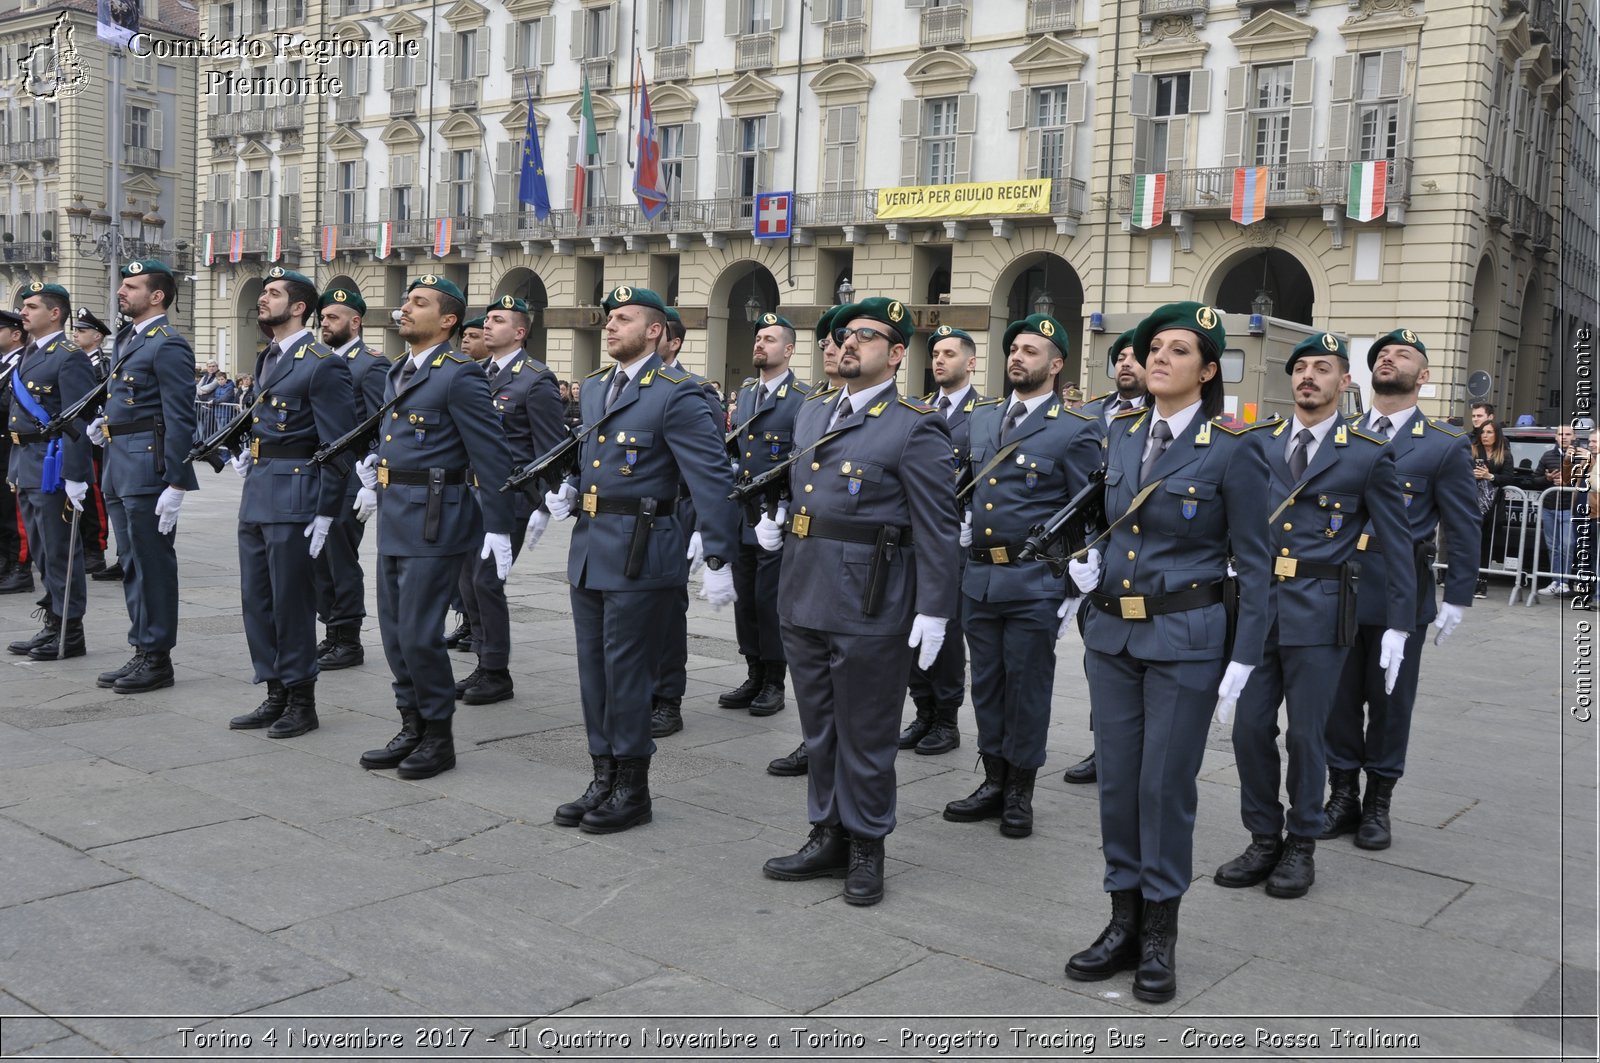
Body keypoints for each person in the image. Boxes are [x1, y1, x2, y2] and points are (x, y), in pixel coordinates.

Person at [1064, 301, 1270, 1003]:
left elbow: (1257, 562)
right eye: (1156, 346)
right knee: (1118, 785)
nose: (1158, 356)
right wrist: (1082, 564)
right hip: (1114, 636)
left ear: (1207, 370)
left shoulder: (1234, 448)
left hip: (1185, 640)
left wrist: (1244, 657)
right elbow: (1106, 521)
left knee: (1164, 788)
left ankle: (1160, 931)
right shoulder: (1120, 433)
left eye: (1179, 349)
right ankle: (1121, 918)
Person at [757, 296, 960, 907]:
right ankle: (827, 834)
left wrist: (934, 608)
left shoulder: (915, 424)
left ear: (897, 354)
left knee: (866, 733)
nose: (849, 343)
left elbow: (938, 525)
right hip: (804, 590)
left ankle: (867, 844)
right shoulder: (813, 413)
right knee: (819, 729)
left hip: (871, 599)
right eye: (845, 334)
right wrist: (781, 518)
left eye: (867, 337)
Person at [1213, 333, 1415, 901]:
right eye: (1300, 367)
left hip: (1322, 614)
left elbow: (1397, 546)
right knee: (1251, 727)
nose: (1308, 377)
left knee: (1306, 736)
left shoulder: (1367, 454)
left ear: (1343, 382)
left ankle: (1300, 842)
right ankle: (1262, 835)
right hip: (1256, 610)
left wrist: (1399, 623)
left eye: (1321, 368)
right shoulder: (1256, 443)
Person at [543, 285, 740, 833]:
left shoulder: (679, 393)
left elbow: (711, 479)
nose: (610, 326)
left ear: (654, 331)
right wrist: (569, 489)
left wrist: (719, 555)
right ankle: (602, 776)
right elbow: (596, 459)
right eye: (609, 318)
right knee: (594, 675)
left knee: (627, 675)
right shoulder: (600, 386)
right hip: (590, 548)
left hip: (641, 551)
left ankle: (633, 788)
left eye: (624, 319)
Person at [945, 313, 1101, 838]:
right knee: (986, 685)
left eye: (1031, 351)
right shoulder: (985, 418)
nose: (1017, 356)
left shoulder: (1075, 430)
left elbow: (1086, 509)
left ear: (1056, 365)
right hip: (980, 577)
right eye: (1014, 348)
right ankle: (992, 779)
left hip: (1034, 580)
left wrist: (1076, 581)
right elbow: (969, 482)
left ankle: (1020, 791)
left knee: (1027, 688)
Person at [355, 275, 513, 780]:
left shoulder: (459, 375)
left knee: (422, 635)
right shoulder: (399, 369)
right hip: (395, 514)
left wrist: (498, 526)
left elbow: (491, 455)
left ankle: (438, 735)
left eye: (418, 303)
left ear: (448, 320)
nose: (404, 308)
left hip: (436, 521)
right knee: (396, 634)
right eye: (405, 301)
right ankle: (411, 723)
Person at [1323, 328, 1476, 851]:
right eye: (1381, 355)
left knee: (1390, 704)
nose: (1389, 359)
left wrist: (1458, 594)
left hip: (1397, 592)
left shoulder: (1443, 444)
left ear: (1424, 375)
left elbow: (1463, 522)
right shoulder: (1339, 433)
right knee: (1337, 701)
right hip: (1336, 589)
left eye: (1402, 354)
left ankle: (1377, 804)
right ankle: (1341, 795)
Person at [223, 267, 356, 739]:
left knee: (291, 601)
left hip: (297, 493)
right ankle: (274, 689)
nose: (263, 299)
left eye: (274, 293)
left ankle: (302, 699)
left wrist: (325, 511)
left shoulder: (322, 362)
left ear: (299, 307)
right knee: (256, 600)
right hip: (260, 488)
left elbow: (340, 445)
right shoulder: (269, 358)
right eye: (263, 292)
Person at [88, 260, 201, 691]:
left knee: (152, 563)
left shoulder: (167, 344)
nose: (122, 291)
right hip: (120, 464)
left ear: (157, 296)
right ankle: (141, 648)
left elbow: (179, 416)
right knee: (133, 562)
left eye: (131, 286)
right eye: (122, 284)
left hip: (147, 468)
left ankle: (157, 657)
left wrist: (176, 482)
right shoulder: (129, 339)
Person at [453, 296, 564, 705]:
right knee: (467, 582)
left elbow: (549, 450)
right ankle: (483, 662)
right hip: (470, 494)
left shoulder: (536, 380)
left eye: (498, 321)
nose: (487, 326)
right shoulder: (476, 372)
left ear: (519, 332)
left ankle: (497, 671)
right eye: (487, 320)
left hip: (508, 499)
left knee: (486, 580)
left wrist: (539, 505)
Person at [1060, 328, 1147, 785]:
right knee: (1100, 658)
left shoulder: (1159, 415)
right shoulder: (1090, 414)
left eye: (1136, 356)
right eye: (1121, 357)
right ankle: (1104, 747)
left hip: (1142, 554)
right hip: (1094, 554)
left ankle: (1141, 750)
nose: (1127, 364)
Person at [899, 324, 989, 756]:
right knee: (912, 624)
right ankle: (922, 710)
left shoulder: (985, 413)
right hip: (913, 534)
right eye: (936, 353)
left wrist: (971, 516)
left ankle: (947, 719)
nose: (939, 360)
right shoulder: (916, 409)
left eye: (949, 354)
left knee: (947, 629)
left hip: (955, 538)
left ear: (971, 362)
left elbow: (988, 476)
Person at [719, 312, 810, 724]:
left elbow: (802, 461)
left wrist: (787, 509)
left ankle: (774, 679)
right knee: (745, 598)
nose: (760, 344)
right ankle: (753, 672)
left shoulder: (803, 399)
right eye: (758, 338)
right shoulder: (747, 393)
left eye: (770, 340)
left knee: (769, 599)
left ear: (788, 350)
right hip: (743, 513)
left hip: (774, 517)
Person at [766, 304, 844, 779]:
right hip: (803, 555)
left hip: (852, 561)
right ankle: (813, 738)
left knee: (844, 668)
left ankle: (833, 744)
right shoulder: (812, 407)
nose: (833, 349)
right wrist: (778, 512)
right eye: (828, 344)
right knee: (810, 664)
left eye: (840, 342)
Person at [651, 305, 729, 738]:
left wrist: (702, 526)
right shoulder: (619, 387)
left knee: (666, 609)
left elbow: (709, 467)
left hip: (676, 511)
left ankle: (667, 698)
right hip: (630, 517)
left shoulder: (696, 390)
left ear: (673, 342)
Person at [5, 281, 94, 661]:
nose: (23, 312)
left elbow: (78, 420)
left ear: (55, 313)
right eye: (24, 306)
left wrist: (76, 476)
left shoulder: (68, 355)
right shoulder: (29, 352)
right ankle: (53, 621)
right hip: (25, 462)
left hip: (52, 465)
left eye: (32, 306)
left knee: (59, 551)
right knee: (41, 551)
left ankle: (69, 630)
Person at [311, 284, 389, 670]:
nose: (325, 323)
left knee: (340, 555)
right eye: (323, 317)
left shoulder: (371, 364)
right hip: (321, 474)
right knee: (318, 557)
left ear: (355, 322)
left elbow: (380, 424)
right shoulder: (317, 359)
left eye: (333, 318)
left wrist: (370, 478)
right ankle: (331, 630)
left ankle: (348, 638)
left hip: (352, 476)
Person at [71, 307, 115, 577]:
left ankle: (95, 550)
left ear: (97, 336)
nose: (76, 334)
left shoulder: (102, 366)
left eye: (82, 330)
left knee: (94, 497)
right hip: (75, 436)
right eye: (75, 329)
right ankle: (81, 546)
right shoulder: (74, 361)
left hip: (92, 440)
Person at [0, 308, 34, 595]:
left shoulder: (23, 364)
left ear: (15, 335)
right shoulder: (3, 363)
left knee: (15, 514)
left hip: (12, 446)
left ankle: (20, 568)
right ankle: (4, 563)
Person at [1470, 419, 1523, 596]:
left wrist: (1489, 475)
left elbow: (1508, 478)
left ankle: (1481, 582)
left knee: (1485, 544)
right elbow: (1458, 471)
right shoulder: (1472, 450)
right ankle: (1466, 580)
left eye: (1489, 432)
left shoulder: (1505, 455)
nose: (1485, 436)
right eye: (1483, 432)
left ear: (1497, 435)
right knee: (1469, 543)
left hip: (1493, 505)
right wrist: (1472, 475)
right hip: (1471, 503)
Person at [1536, 424, 1581, 595]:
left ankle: (1564, 581)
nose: (1564, 437)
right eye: (1561, 434)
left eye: (1568, 434)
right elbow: (1535, 479)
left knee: (1567, 545)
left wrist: (1567, 480)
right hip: (1549, 507)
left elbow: (1584, 479)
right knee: (1552, 546)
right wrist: (1546, 478)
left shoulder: (1580, 455)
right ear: (1555, 437)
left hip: (1568, 507)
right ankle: (1555, 580)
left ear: (1574, 437)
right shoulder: (1548, 455)